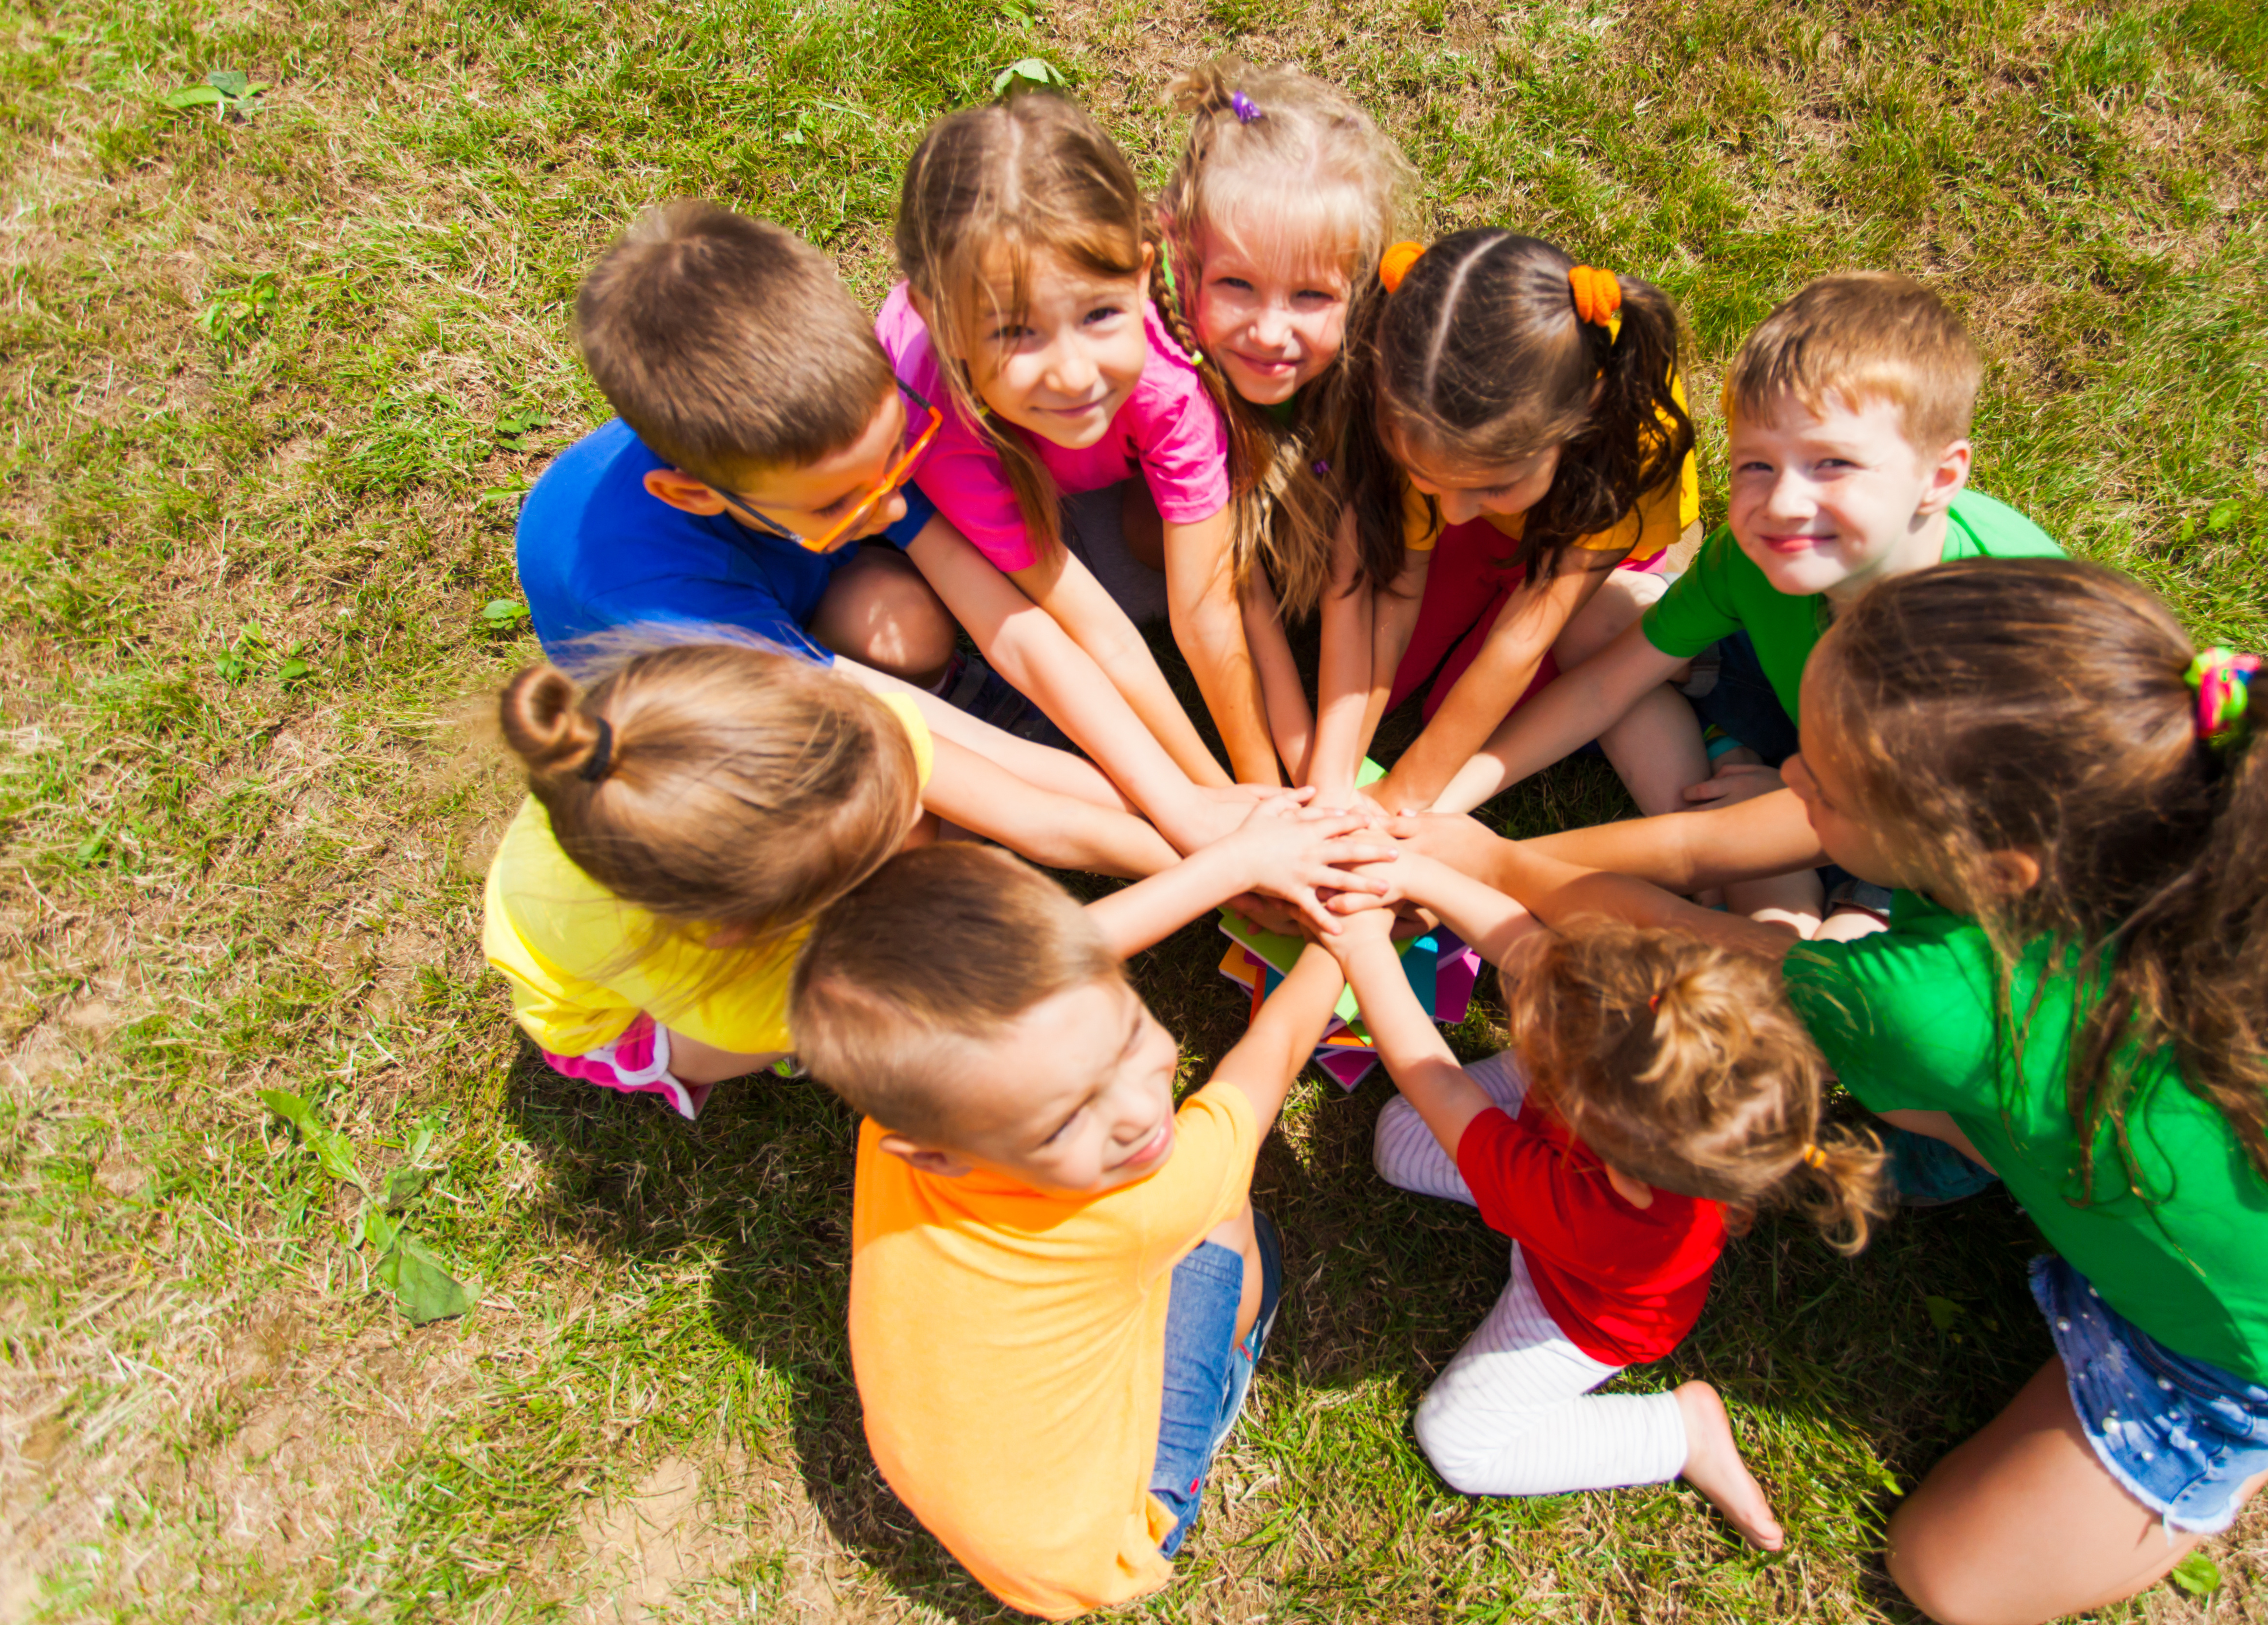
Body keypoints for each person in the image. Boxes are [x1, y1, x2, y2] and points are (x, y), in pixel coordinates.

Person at [1394, 561, 2268, 1625]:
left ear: (1994, 859)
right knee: (1900, 1085)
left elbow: (1667, 937)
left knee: (1947, 1576)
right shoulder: (2151, 819)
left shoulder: (1930, 1005)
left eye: (1826, 785)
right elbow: (1716, 853)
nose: (1794, 775)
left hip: (2259, 1352)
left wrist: (1486, 863)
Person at [520, 200, 1253, 851]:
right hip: (712, 688)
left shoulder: (830, 445)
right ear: (692, 495)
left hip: (799, 567)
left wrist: (1203, 805)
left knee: (908, 623)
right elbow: (998, 790)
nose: (894, 506)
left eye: (894, 459)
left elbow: (1018, 627)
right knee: (895, 819)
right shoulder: (664, 607)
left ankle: (936, 665)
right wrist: (1195, 836)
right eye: (842, 502)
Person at [791, 844, 1375, 1618]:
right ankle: (1219, 1388)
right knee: (1231, 1220)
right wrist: (1348, 932)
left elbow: (1066, 959)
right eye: (1068, 1118)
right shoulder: (1140, 1199)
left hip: (978, 1483)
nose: (1139, 1113)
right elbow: (1270, 1057)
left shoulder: (914, 1111)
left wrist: (1240, 861)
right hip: (1106, 1537)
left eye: (1131, 1035)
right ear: (939, 1150)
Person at [483, 641, 1387, 1117]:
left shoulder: (800, 724)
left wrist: (1225, 823)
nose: (919, 825)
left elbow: (1043, 815)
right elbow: (1003, 979)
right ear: (757, 920)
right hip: (624, 1019)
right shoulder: (732, 973)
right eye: (872, 847)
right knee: (882, 1000)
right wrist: (1225, 868)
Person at [1428, 273, 2063, 934]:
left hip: (1912, 846)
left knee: (1812, 979)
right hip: (1809, 748)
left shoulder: (1982, 644)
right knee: (1601, 615)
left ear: (1941, 478)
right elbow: (1603, 689)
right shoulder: (1757, 553)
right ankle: (1736, 781)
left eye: (1833, 464)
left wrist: (1485, 860)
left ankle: (1740, 858)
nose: (1783, 503)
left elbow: (1740, 842)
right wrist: (1435, 807)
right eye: (1755, 465)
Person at [1320, 851, 1881, 1551]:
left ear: (1617, 1163)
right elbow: (1527, 946)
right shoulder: (1661, 1026)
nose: (1527, 1011)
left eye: (1554, 1050)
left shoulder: (1590, 1211)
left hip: (1575, 1309)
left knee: (1457, 1442)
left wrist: (1363, 947)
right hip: (1564, 1173)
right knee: (1398, 1139)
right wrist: (1411, 871)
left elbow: (1444, 1092)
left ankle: (1678, 1434)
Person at [882, 89, 1289, 787]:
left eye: (1101, 314)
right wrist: (1222, 808)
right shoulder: (936, 423)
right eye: (1015, 332)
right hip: (988, 462)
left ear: (1139, 277)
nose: (1073, 374)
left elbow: (1206, 611)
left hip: (1079, 459)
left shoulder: (1166, 378)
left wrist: (1267, 791)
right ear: (942, 322)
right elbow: (1094, 629)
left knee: (1172, 556)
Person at [1308, 229, 1699, 816]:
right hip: (1501, 530)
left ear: (1583, 416)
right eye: (1433, 482)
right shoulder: (1417, 402)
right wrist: (1336, 773)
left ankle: (1653, 581)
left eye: (1493, 485)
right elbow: (1399, 586)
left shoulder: (1633, 435)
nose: (1455, 512)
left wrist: (1404, 796)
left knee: (1455, 715)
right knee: (1384, 686)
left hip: (1577, 543)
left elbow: (1524, 638)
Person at [1152, 59, 1417, 781]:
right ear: (1185, 257)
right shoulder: (1175, 377)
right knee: (1141, 544)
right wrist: (1277, 781)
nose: (1271, 333)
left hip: (1305, 563)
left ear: (1356, 289)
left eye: (1310, 296)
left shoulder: (1372, 369)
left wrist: (1325, 778)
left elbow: (1350, 580)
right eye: (1238, 284)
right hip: (1171, 551)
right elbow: (1231, 589)